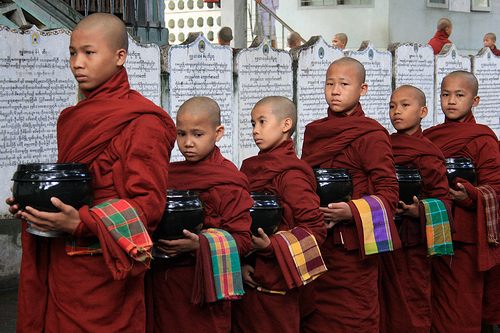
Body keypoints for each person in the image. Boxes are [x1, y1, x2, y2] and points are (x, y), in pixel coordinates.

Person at [6, 13, 177, 332]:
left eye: (89, 52)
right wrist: (36, 205)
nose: (77, 63)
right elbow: (78, 187)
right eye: (72, 52)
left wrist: (81, 222)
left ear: (119, 57)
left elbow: (148, 208)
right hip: (62, 264)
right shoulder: (73, 117)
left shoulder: (144, 122)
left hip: (105, 268)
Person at [300, 57, 401, 333]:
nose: (335, 91)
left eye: (344, 84)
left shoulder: (372, 134)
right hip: (318, 243)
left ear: (362, 90)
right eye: (330, 83)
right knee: (315, 319)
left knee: (354, 321)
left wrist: (351, 211)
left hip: (354, 250)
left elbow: (389, 193)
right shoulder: (315, 131)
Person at [148, 96, 253, 333]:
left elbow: (244, 242)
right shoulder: (169, 174)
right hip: (164, 279)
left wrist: (200, 243)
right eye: (181, 134)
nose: (188, 143)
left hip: (206, 284)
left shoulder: (228, 179)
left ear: (218, 133)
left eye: (197, 134)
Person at [231, 96, 327, 332]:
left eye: (262, 122)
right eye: (253, 123)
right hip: (249, 275)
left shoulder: (291, 174)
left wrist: (271, 245)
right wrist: (242, 264)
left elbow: (315, 230)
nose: (255, 130)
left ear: (285, 125)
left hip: (279, 280)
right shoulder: (251, 167)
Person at [423, 71, 500, 332]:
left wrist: (472, 196)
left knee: (459, 307)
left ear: (475, 100)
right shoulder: (430, 136)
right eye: (445, 95)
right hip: (432, 229)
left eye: (459, 95)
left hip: (466, 237)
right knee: (431, 305)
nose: (451, 101)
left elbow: (496, 188)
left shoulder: (483, 139)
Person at [379, 85, 454, 333]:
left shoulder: (428, 152)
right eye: (392, 106)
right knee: (385, 303)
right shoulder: (383, 146)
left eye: (405, 105)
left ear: (423, 111)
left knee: (413, 301)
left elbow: (443, 200)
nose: (396, 111)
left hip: (414, 243)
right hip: (385, 237)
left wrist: (419, 210)